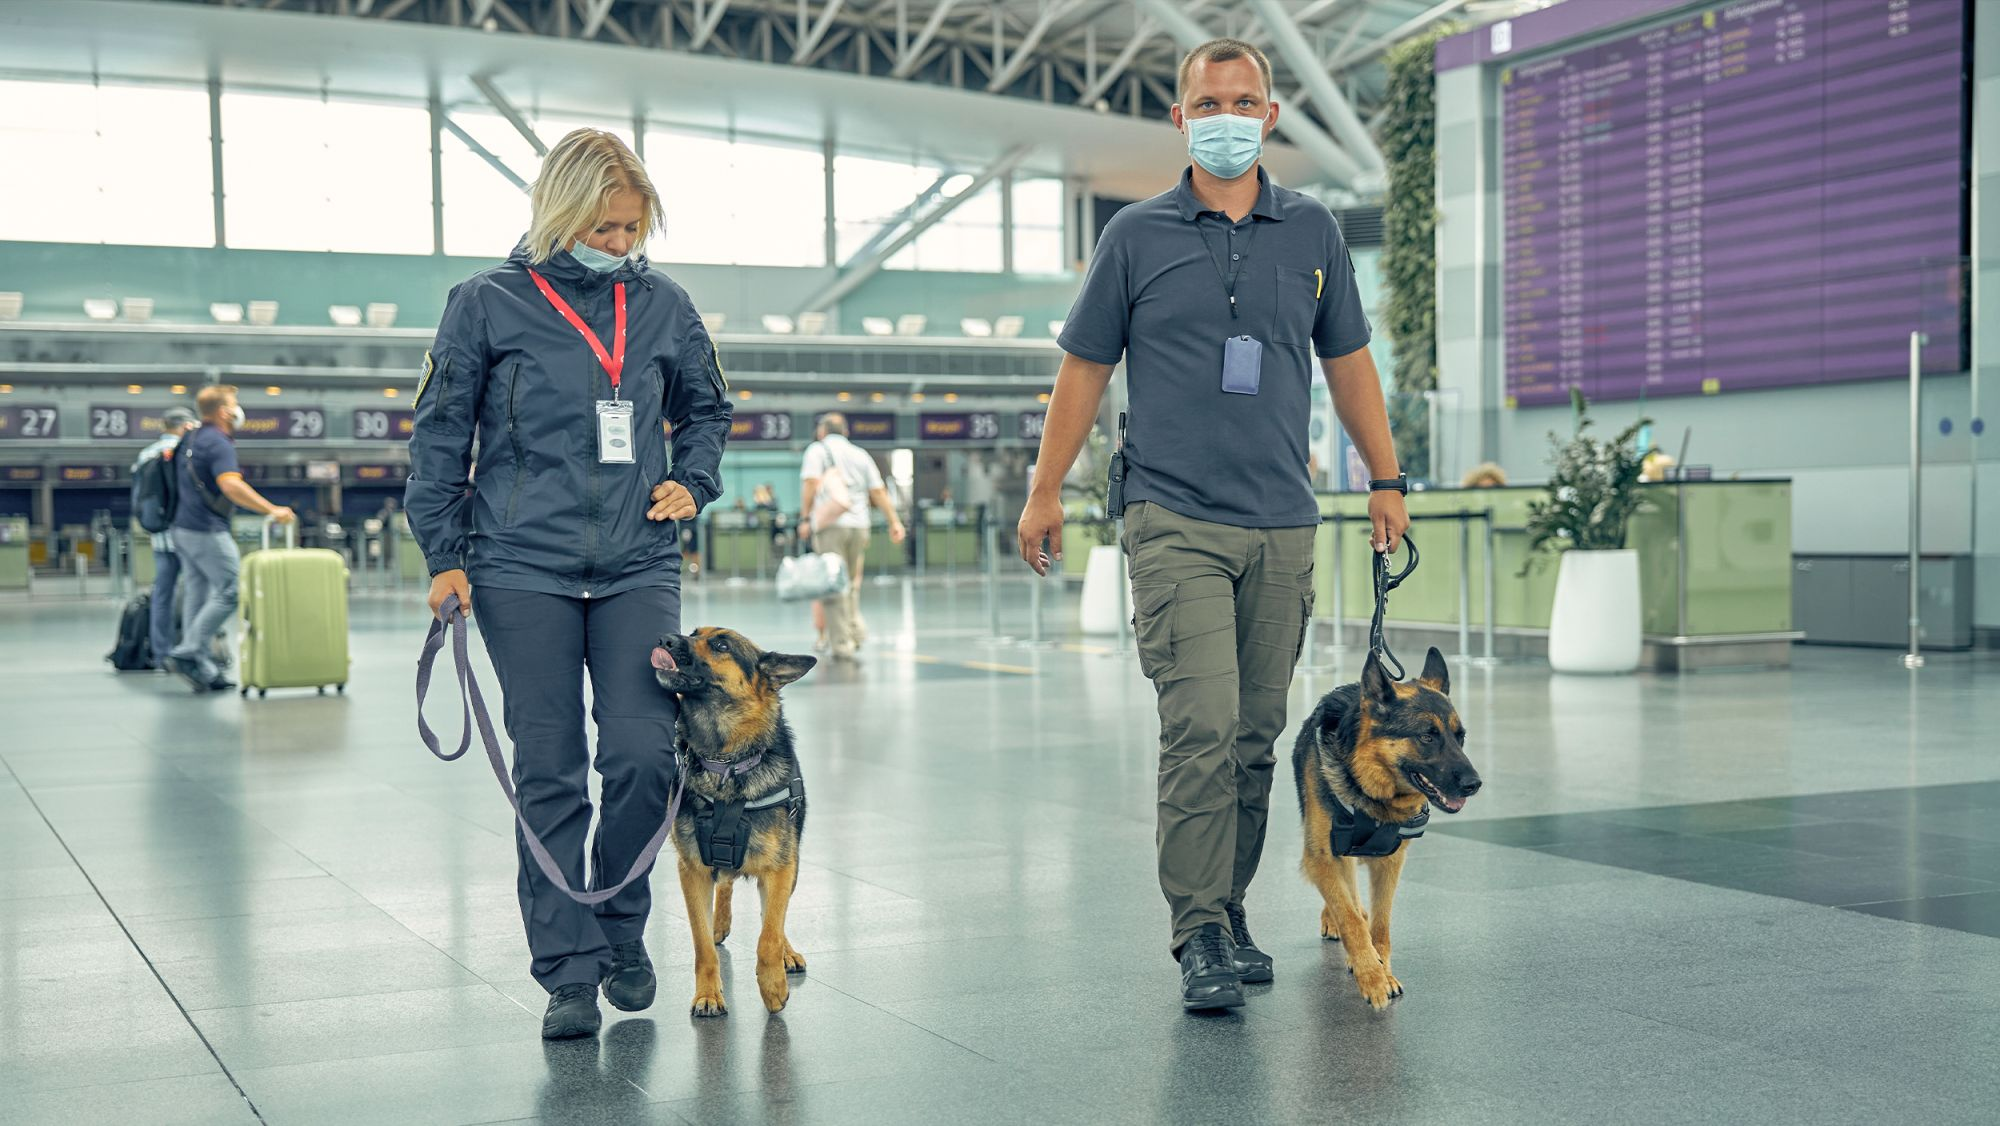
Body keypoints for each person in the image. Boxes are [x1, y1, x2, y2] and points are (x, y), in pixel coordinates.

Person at [1016, 38, 1411, 1012]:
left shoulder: (1311, 230)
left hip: (1280, 520)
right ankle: (1196, 929)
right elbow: (1083, 369)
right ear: (1180, 118)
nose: (1225, 117)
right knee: (1200, 725)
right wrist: (1043, 489)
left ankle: (1227, 911)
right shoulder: (1135, 236)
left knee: (1253, 735)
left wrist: (1385, 477)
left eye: (1242, 102)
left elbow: (1349, 362)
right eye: (1207, 103)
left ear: (1269, 115)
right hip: (1172, 515)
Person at [406, 128, 733, 1041]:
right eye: (605, 228)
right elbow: (439, 435)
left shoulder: (665, 305)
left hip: (638, 560)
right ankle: (567, 970)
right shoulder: (485, 303)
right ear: (560, 212)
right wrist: (444, 554)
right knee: (548, 768)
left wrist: (695, 479)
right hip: (519, 564)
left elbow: (708, 409)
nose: (620, 244)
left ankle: (620, 927)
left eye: (633, 228)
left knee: (643, 755)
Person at [162, 387, 296, 693]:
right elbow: (231, 485)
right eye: (234, 404)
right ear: (224, 411)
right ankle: (188, 651)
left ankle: (202, 667)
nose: (238, 410)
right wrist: (272, 509)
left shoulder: (191, 437)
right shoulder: (217, 441)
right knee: (233, 589)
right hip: (205, 529)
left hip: (181, 527)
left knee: (197, 593)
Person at [797, 413, 905, 662]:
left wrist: (805, 518)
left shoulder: (817, 450)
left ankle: (842, 644)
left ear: (821, 432)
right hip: (859, 525)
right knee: (852, 582)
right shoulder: (860, 454)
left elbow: (810, 484)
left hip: (831, 525)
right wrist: (894, 521)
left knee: (833, 584)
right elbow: (878, 491)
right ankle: (856, 632)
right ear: (846, 432)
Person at [132, 406, 198, 670]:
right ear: (185, 426)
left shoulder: (146, 454)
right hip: (189, 533)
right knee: (196, 591)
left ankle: (162, 654)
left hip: (159, 535)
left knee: (162, 594)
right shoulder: (186, 452)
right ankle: (192, 651)